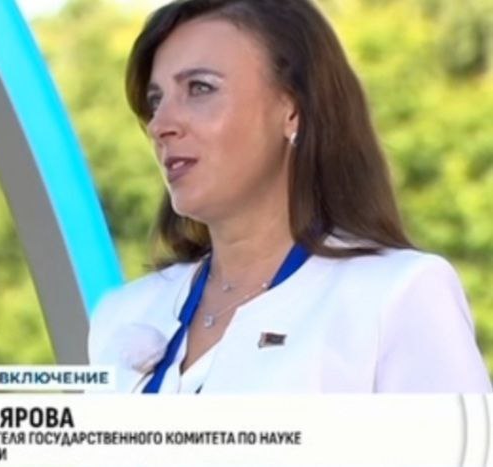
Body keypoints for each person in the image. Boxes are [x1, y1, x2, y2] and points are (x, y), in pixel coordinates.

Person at [88, 0, 491, 393]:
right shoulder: (122, 315)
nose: (160, 124)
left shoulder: (396, 295)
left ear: (293, 110)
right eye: (155, 100)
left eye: (199, 88)